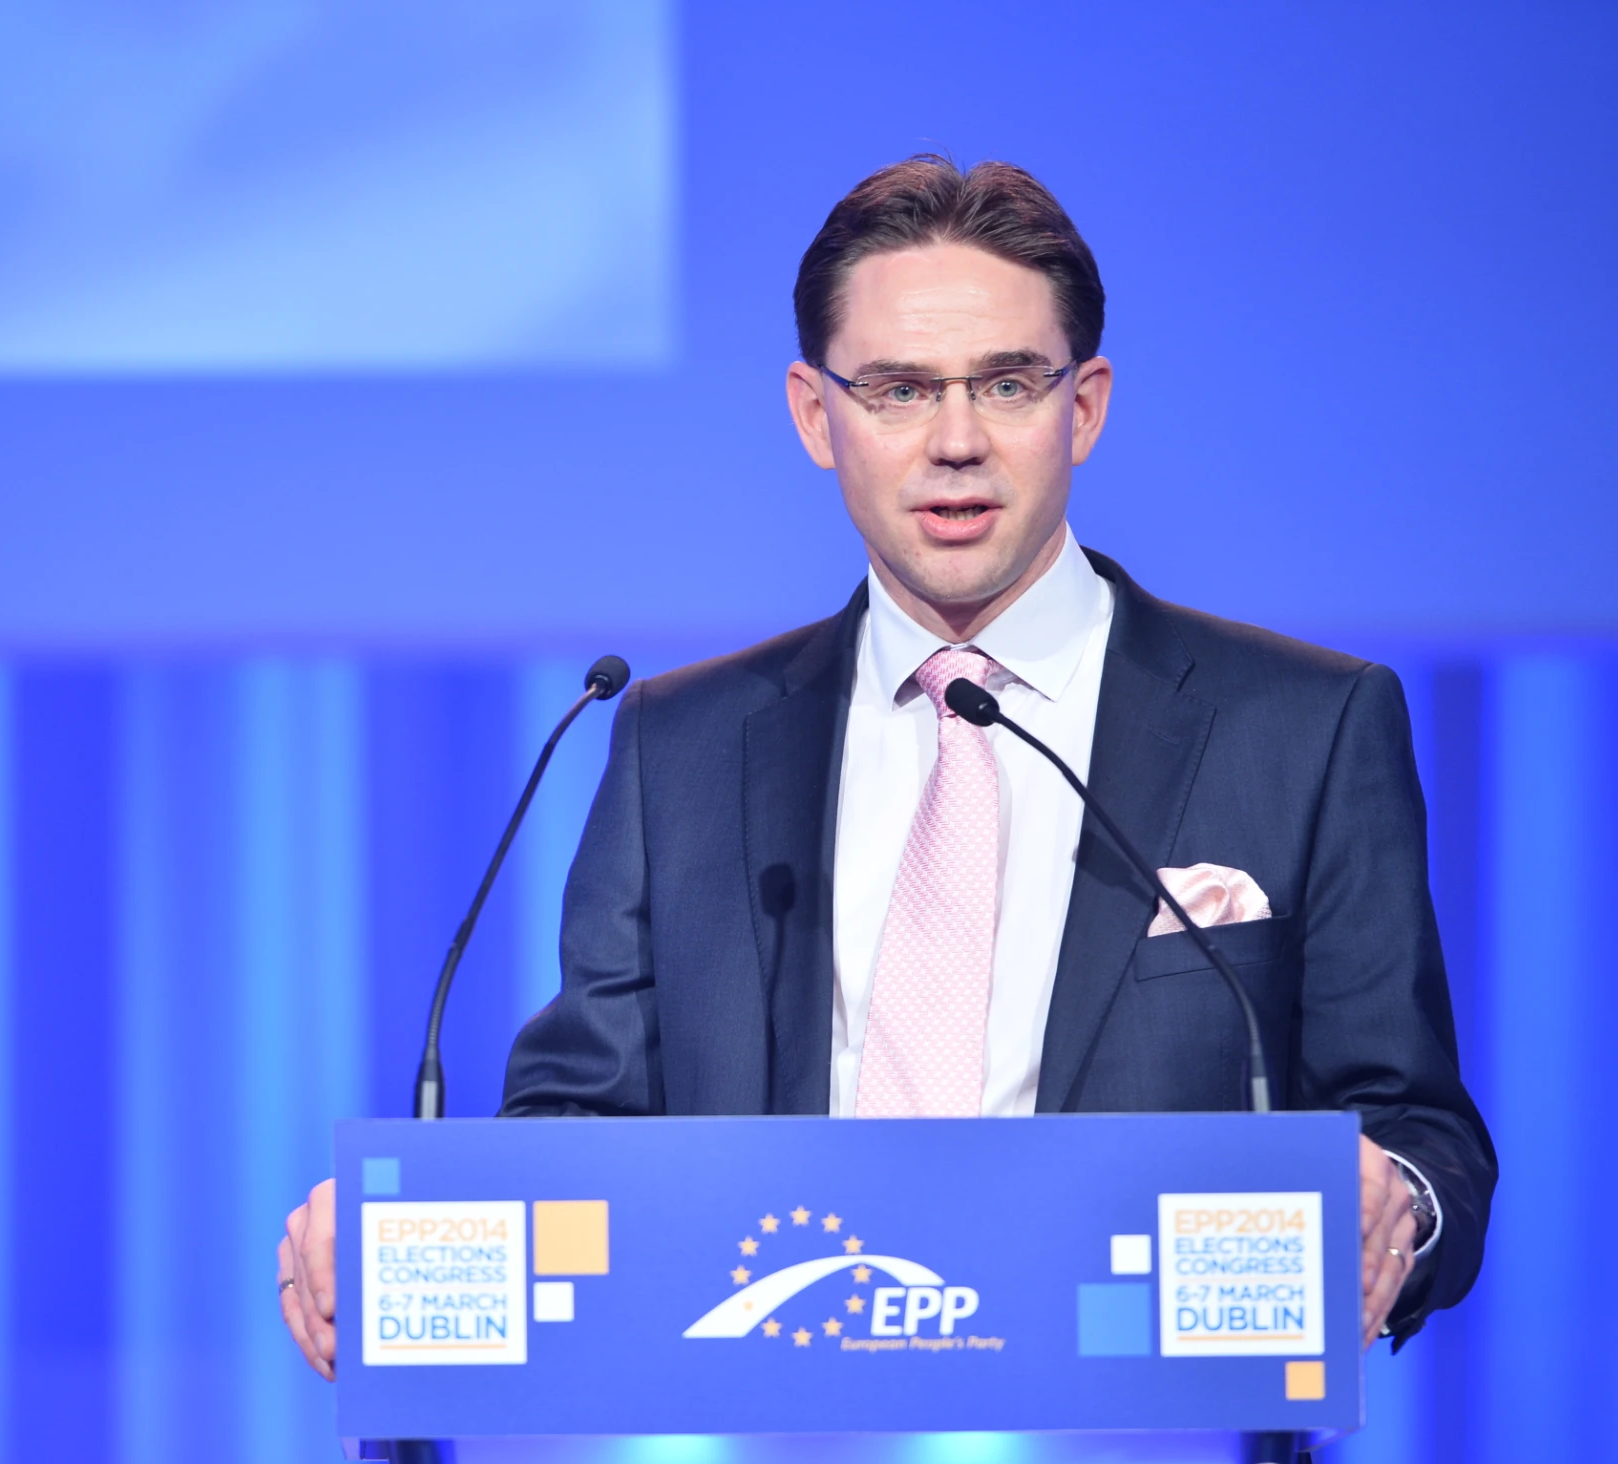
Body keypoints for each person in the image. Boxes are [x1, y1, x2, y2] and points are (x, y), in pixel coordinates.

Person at [279, 154, 1493, 1383]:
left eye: (1010, 383)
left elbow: (1419, 1130)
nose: (956, 442)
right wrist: (412, 1230)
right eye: (901, 390)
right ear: (817, 415)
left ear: (1086, 406)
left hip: (1154, 1443)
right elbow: (580, 1133)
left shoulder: (1304, 725)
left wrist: (1393, 1199)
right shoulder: (680, 746)